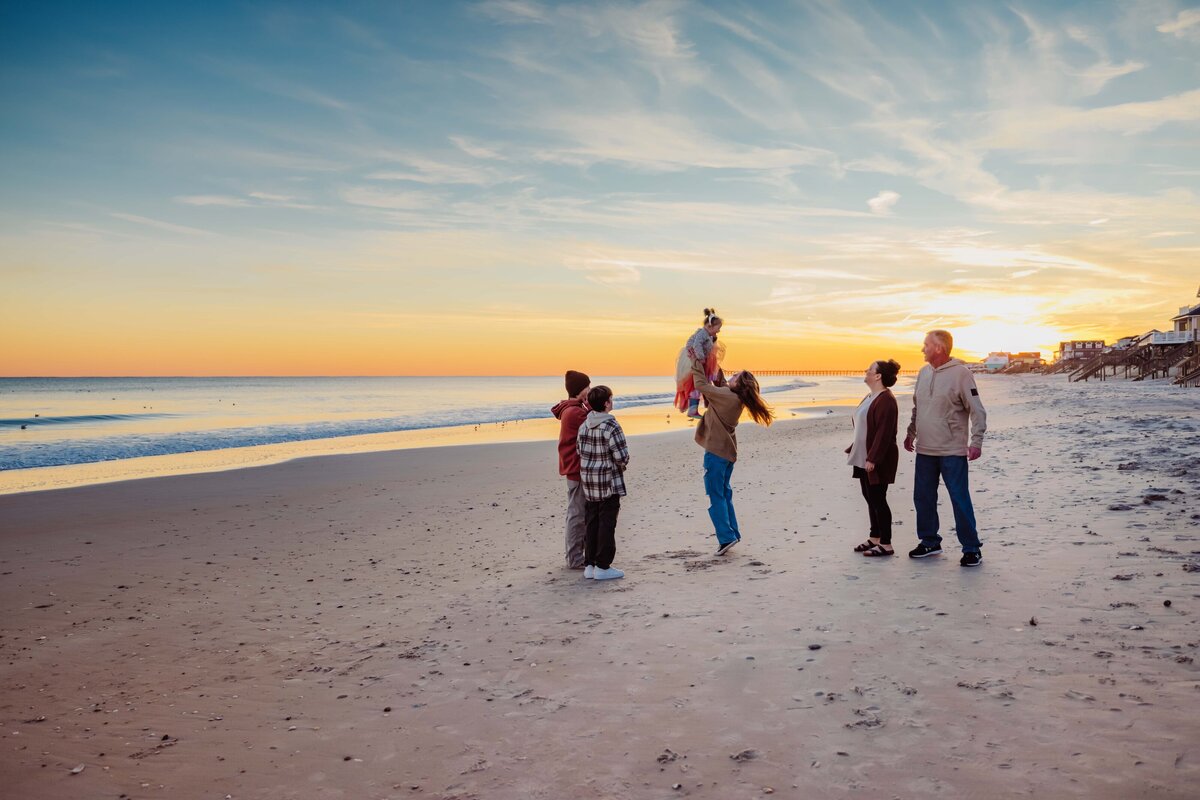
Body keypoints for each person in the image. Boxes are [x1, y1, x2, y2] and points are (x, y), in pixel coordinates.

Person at [904, 330, 988, 566]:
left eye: (927, 345)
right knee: (923, 498)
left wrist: (976, 442)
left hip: (952, 451)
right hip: (925, 450)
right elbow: (917, 407)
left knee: (959, 499)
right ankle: (930, 541)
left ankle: (972, 548)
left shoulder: (961, 374)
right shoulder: (922, 373)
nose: (923, 349)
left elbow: (977, 410)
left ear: (939, 348)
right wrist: (911, 432)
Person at [691, 361, 774, 556]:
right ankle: (732, 533)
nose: (731, 377)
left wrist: (696, 363)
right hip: (727, 454)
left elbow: (701, 385)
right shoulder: (735, 398)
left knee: (716, 495)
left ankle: (726, 538)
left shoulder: (727, 396)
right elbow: (719, 384)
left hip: (716, 454)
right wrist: (712, 362)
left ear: (739, 384)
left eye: (735, 376)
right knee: (725, 494)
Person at [845, 360, 901, 557]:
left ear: (878, 376)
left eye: (869, 369)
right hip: (863, 455)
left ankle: (886, 544)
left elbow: (884, 434)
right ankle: (874, 537)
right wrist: (855, 447)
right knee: (869, 497)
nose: (866, 371)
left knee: (878, 499)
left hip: (876, 458)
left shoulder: (886, 400)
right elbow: (864, 427)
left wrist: (873, 459)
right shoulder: (871, 396)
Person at [576, 385, 630, 580]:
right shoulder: (611, 426)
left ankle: (590, 564)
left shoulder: (584, 425)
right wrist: (620, 464)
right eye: (611, 399)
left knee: (592, 522)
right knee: (607, 523)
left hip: (589, 482)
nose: (612, 402)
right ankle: (603, 565)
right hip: (607, 482)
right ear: (606, 403)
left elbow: (579, 451)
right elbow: (621, 456)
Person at [551, 370, 590, 570]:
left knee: (578, 511)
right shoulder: (575, 412)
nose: (590, 390)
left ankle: (577, 555)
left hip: (573, 465)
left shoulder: (574, 408)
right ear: (580, 390)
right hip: (576, 467)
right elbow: (593, 426)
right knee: (577, 513)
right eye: (587, 387)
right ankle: (575, 558)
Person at [675, 309, 723, 419]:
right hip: (695, 360)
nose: (719, 331)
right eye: (718, 329)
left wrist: (713, 339)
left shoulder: (708, 334)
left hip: (703, 360)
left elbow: (707, 344)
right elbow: (696, 345)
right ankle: (693, 409)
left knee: (706, 381)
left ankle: (709, 403)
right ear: (709, 326)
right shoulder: (702, 334)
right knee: (696, 385)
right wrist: (701, 358)